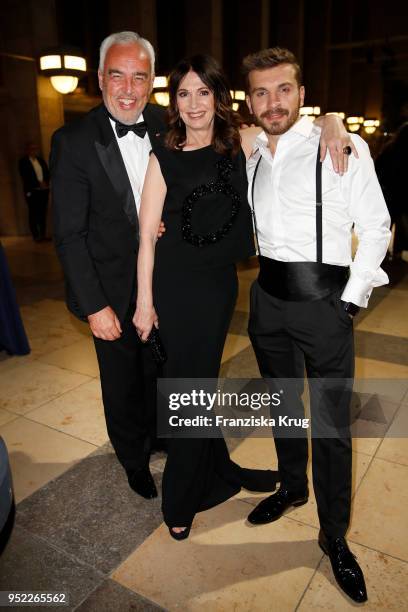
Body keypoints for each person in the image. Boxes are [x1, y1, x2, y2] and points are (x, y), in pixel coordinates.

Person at [134, 54, 353, 540]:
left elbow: (299, 124)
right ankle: (181, 497)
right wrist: (144, 303)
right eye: (183, 94)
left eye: (203, 93)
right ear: (174, 102)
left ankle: (217, 471)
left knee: (200, 385)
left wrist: (334, 120)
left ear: (219, 98)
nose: (193, 104)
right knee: (188, 391)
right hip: (174, 287)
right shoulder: (161, 156)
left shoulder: (243, 144)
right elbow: (147, 236)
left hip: (218, 290)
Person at [242, 47, 391, 603]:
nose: (272, 101)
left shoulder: (340, 146)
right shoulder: (253, 150)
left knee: (330, 428)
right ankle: (291, 487)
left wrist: (349, 303)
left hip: (325, 304)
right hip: (267, 302)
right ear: (250, 100)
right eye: (260, 92)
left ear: (302, 94)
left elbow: (375, 226)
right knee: (282, 405)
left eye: (282, 90)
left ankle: (335, 537)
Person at [50, 31, 167, 500]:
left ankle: (161, 437)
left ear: (152, 81)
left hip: (166, 284)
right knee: (121, 383)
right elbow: (69, 234)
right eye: (117, 75)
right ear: (100, 78)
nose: (127, 88)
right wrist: (95, 306)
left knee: (162, 370)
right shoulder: (74, 140)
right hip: (110, 288)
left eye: (139, 77)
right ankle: (133, 458)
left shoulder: (168, 124)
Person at [376, 122, 408, 260]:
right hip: (404, 191)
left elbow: (378, 167)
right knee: (402, 223)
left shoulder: (390, 148)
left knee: (386, 222)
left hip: (388, 190)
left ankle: (381, 252)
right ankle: (397, 251)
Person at [18, 143, 50, 241]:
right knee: (33, 213)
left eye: (35, 149)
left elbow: (47, 172)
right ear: (27, 150)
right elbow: (25, 176)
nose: (34, 151)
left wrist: (45, 182)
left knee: (42, 212)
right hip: (32, 191)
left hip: (43, 191)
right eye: (31, 149)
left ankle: (43, 235)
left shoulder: (40, 160)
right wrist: (38, 183)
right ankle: (36, 236)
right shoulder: (23, 162)